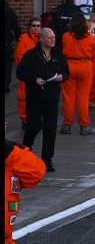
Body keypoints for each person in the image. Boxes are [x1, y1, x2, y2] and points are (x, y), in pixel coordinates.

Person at [17, 28, 70, 172]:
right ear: (41, 39)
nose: (53, 40)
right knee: (33, 127)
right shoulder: (31, 55)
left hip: (52, 98)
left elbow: (66, 72)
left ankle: (47, 160)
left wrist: (62, 77)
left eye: (53, 37)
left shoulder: (58, 55)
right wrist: (34, 80)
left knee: (50, 130)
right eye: (49, 38)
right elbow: (20, 72)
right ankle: (24, 154)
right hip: (35, 97)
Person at [61, 12, 95, 136]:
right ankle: (84, 126)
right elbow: (93, 51)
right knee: (83, 98)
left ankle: (67, 125)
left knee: (68, 97)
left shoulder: (66, 36)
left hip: (69, 65)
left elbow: (63, 48)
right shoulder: (90, 37)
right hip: (85, 65)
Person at [14, 18, 42, 129]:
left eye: (38, 26)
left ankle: (36, 118)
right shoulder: (24, 39)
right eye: (34, 26)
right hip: (28, 74)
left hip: (40, 73)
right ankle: (25, 120)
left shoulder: (42, 39)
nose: (36, 28)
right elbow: (18, 57)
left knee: (39, 97)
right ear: (29, 27)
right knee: (23, 98)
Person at [5, 0, 22, 94]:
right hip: (6, 42)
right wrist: (18, 38)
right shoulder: (9, 10)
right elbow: (15, 26)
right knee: (7, 64)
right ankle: (5, 83)